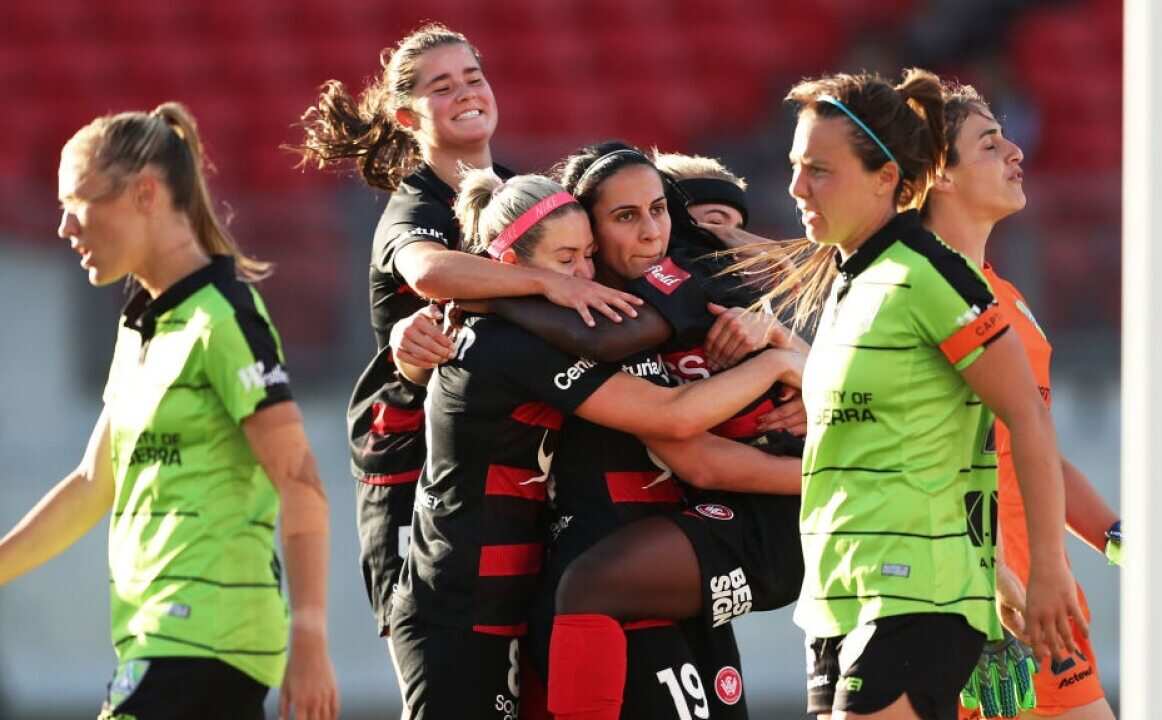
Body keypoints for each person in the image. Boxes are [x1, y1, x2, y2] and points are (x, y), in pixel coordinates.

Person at [291, 23, 642, 685]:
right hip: (420, 483)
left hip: (513, 469)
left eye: (473, 77)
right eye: (441, 86)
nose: (465, 93)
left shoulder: (521, 191)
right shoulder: (415, 203)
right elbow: (427, 273)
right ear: (406, 115)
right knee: (444, 665)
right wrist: (544, 280)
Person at [386, 168, 807, 720]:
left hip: (527, 589)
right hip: (460, 599)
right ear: (510, 267)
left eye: (586, 255)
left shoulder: (561, 324)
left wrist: (788, 353)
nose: (583, 274)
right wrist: (786, 373)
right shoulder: (519, 340)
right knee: (590, 590)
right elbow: (677, 424)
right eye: (566, 260)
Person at [735, 68, 1085, 720]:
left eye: (819, 169)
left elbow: (1026, 419)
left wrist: (1046, 572)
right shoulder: (848, 280)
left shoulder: (931, 276)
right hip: (841, 594)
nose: (795, 187)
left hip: (914, 596)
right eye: (794, 166)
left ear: (885, 178)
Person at [0, 103, 338, 719]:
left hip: (204, 635)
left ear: (145, 193)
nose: (63, 228)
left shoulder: (223, 318)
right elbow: (90, 484)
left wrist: (311, 640)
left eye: (76, 202)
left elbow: (300, 481)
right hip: (165, 637)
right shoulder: (143, 328)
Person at [920, 82, 1117, 720]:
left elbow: (1034, 452)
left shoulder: (1003, 293)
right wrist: (986, 589)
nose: (1016, 151)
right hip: (982, 602)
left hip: (1039, 594)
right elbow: (923, 459)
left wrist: (1120, 539)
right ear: (937, 176)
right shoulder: (923, 295)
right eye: (989, 142)